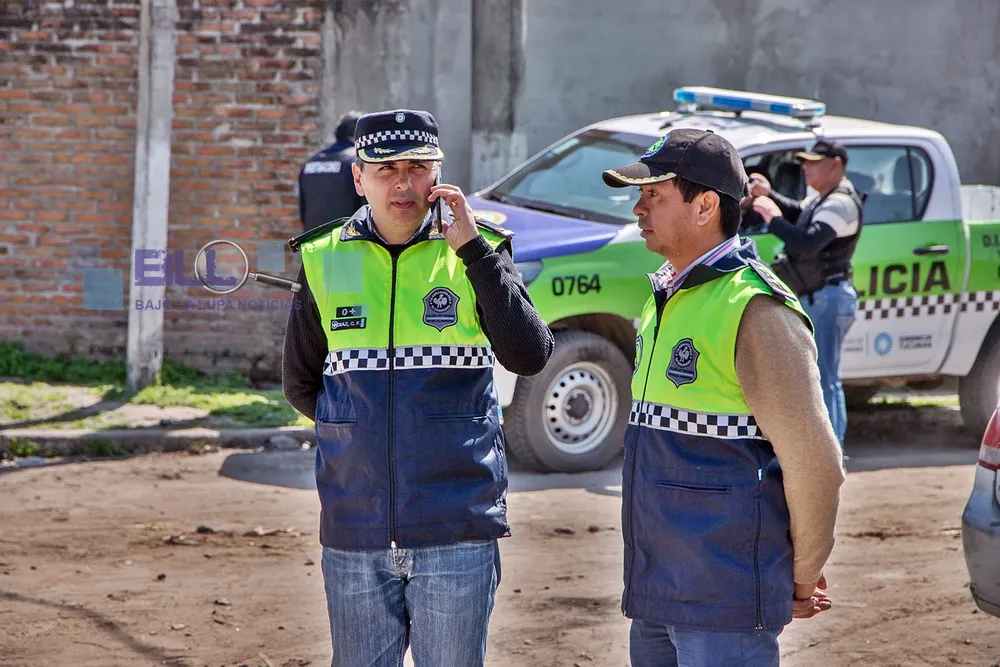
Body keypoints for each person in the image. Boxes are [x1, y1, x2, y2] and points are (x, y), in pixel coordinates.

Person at [281, 108, 554, 667]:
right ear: (358, 177)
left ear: (439, 175)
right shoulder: (323, 257)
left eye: (417, 167)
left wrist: (473, 252)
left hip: (457, 528)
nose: (402, 183)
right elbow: (302, 384)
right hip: (355, 528)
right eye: (385, 169)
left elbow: (529, 355)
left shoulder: (480, 251)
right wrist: (357, 437)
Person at [601, 128, 846, 667]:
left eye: (654, 196)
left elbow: (815, 462)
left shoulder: (757, 310)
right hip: (658, 589)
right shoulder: (665, 296)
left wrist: (801, 575)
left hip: (723, 598)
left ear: (705, 206)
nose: (639, 209)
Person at [750, 139, 864, 446]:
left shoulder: (841, 202)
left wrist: (770, 216)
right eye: (803, 161)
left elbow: (806, 242)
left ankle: (833, 453)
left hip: (827, 298)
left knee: (826, 379)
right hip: (817, 297)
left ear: (835, 164)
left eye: (813, 161)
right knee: (817, 377)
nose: (805, 167)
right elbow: (800, 213)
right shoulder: (824, 197)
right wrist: (768, 195)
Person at [298, 110, 368, 231]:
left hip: (313, 244)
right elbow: (368, 210)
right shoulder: (356, 160)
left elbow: (303, 212)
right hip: (349, 244)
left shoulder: (310, 163)